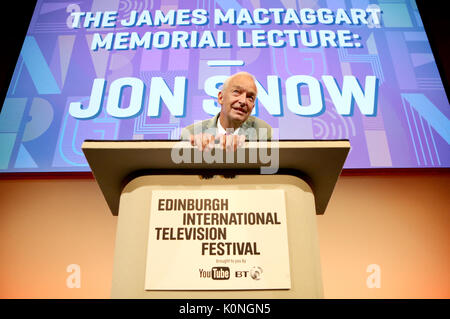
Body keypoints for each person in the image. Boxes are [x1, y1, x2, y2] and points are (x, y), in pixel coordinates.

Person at [181, 72, 272, 151]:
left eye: (250, 97)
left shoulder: (262, 131)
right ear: (221, 98)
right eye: (237, 92)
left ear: (253, 107)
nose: (243, 101)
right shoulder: (191, 133)